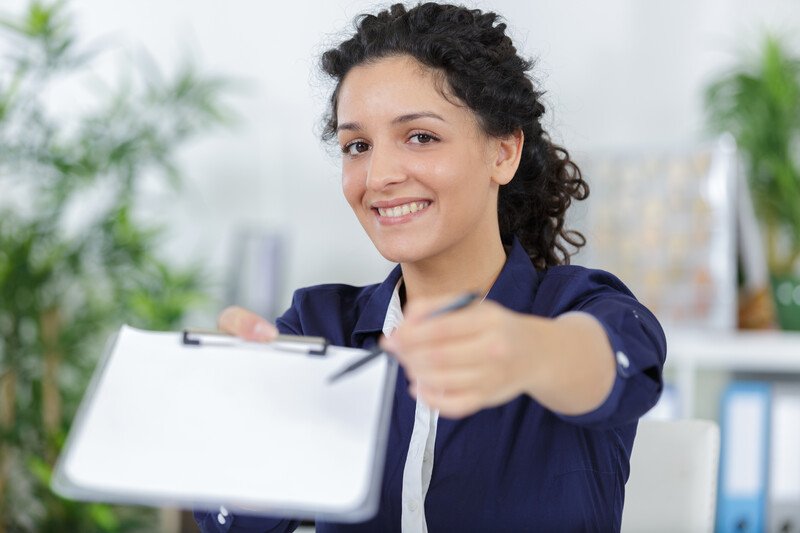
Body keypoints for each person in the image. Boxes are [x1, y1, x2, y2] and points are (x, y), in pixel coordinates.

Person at [194, 2, 666, 532]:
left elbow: (613, 363)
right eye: (357, 145)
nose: (379, 175)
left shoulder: (578, 306)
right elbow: (236, 522)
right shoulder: (319, 327)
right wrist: (237, 412)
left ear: (504, 152)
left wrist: (525, 353)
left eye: (420, 136)